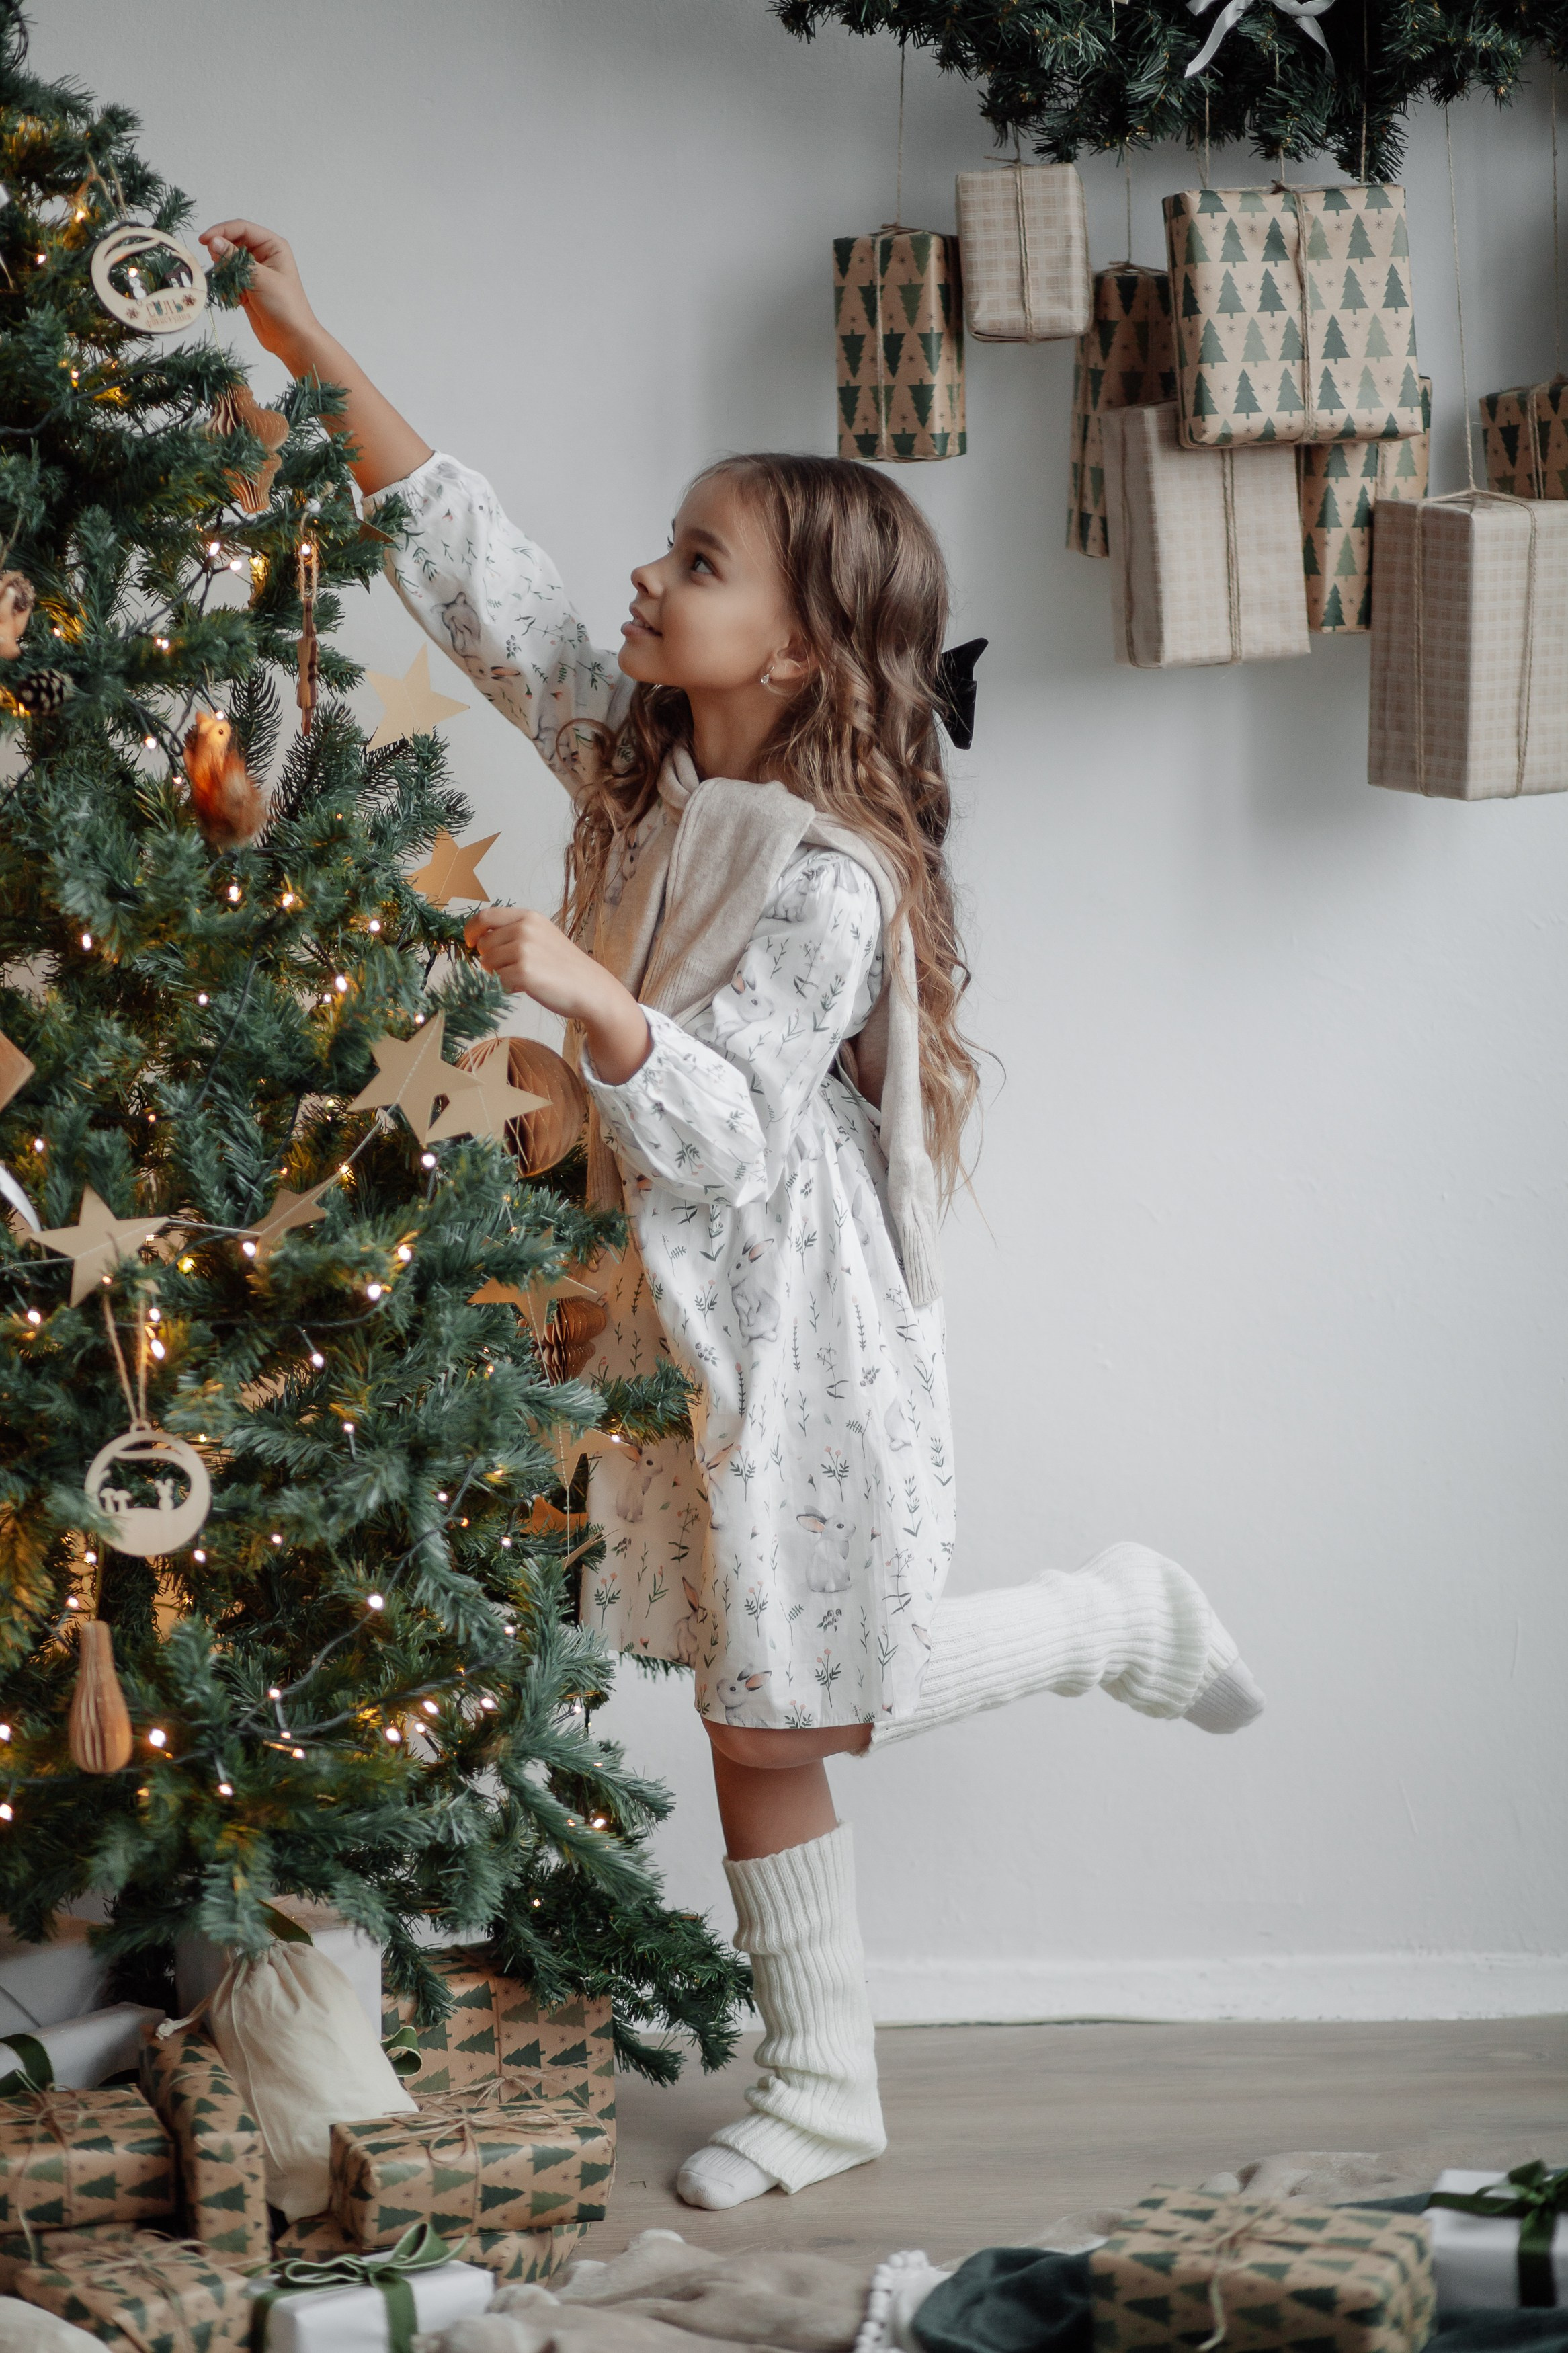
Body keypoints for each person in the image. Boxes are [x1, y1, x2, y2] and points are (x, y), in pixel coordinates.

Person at [201, 219, 1266, 2213]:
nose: (646, 571)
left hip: (789, 1337)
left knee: (812, 1697)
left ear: (792, 646)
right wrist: (305, 331)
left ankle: (1116, 1622)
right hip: (636, 1323)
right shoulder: (637, 766)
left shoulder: (831, 873)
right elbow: (480, 560)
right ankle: (827, 2068)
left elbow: (735, 1133)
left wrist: (598, 1004)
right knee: (756, 1705)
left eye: (698, 560)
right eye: (668, 541)